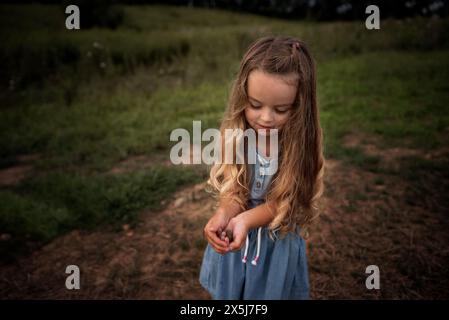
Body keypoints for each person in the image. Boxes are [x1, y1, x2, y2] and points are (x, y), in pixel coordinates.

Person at [199, 36, 325, 300]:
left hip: (275, 245)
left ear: (300, 107)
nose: (266, 118)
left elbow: (289, 202)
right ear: (242, 96)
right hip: (235, 240)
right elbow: (236, 189)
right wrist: (225, 214)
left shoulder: (299, 147)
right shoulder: (238, 136)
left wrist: (246, 220)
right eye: (255, 105)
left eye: (281, 109)